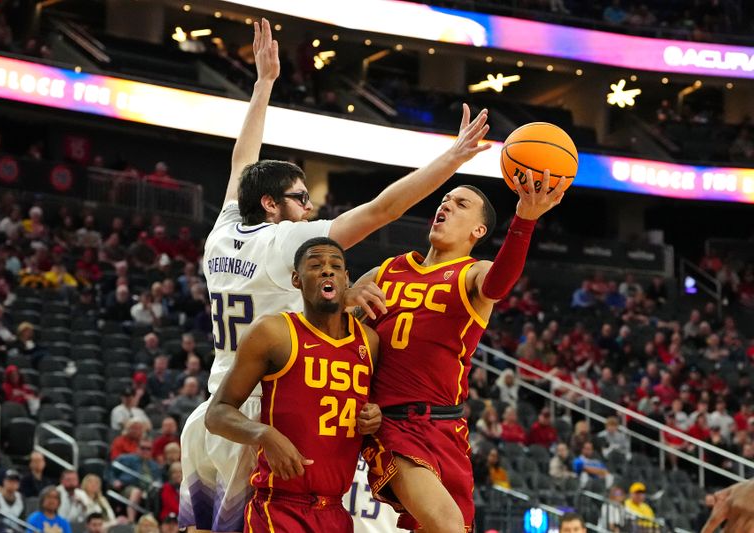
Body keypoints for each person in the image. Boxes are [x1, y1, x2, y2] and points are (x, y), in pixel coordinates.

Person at [179, 17, 492, 533]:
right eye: (300, 199)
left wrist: (263, 85)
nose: (309, 208)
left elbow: (242, 160)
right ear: (272, 205)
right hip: (262, 409)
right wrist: (452, 158)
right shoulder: (284, 243)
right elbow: (382, 210)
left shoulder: (224, 228)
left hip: (211, 410)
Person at [355, 172, 566, 530]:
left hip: (446, 427)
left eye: (461, 203)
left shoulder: (473, 273)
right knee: (448, 525)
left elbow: (499, 283)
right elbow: (333, 337)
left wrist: (524, 220)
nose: (447, 204)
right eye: (445, 200)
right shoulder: (388, 270)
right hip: (391, 423)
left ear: (477, 231)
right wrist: (345, 295)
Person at [204, 238, 382, 533]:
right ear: (296, 280)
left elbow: (373, 408)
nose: (327, 272)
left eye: (336, 266)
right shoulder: (273, 333)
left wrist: (374, 415)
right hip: (279, 508)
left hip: (336, 511)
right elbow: (217, 414)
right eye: (316, 266)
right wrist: (265, 434)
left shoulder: (369, 342)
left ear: (346, 279)